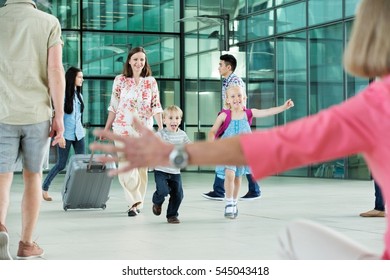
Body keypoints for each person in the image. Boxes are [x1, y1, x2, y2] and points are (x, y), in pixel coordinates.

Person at [90, 0, 390, 259]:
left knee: (295, 235)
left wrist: (174, 153)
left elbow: (275, 145)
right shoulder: (373, 104)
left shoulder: (373, 105)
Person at [0, 0, 65, 260]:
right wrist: (58, 116)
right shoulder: (49, 22)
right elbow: (56, 71)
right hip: (37, 114)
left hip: (2, 111)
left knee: (2, 177)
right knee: (32, 177)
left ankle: (0, 227)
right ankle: (26, 244)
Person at [210, 85, 294, 218]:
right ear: (227, 100)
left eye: (239, 95)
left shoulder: (249, 113)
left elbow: (268, 111)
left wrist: (284, 107)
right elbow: (213, 130)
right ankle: (228, 202)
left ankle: (234, 202)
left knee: (238, 178)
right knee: (229, 174)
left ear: (244, 98)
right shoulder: (224, 115)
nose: (236, 98)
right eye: (233, 96)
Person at [103, 46, 163, 217]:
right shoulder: (120, 80)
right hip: (122, 128)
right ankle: (133, 201)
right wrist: (107, 128)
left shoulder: (150, 81)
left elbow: (156, 105)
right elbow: (113, 106)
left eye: (142, 60)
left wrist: (161, 128)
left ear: (145, 62)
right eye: (135, 59)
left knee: (141, 168)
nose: (138, 63)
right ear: (129, 60)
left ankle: (136, 204)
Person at [202, 54, 261, 201]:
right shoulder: (226, 81)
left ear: (228, 67)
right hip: (228, 120)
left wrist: (231, 120)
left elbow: (240, 102)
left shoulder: (235, 81)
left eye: (221, 64)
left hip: (236, 123)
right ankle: (220, 189)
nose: (218, 67)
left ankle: (252, 189)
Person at [42, 67, 85, 201]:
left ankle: (75, 192)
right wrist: (59, 136)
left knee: (81, 164)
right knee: (61, 164)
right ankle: (44, 188)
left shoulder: (79, 95)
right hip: (65, 135)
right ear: (72, 78)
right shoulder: (62, 96)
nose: (82, 80)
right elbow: (56, 117)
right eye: (79, 77)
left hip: (79, 134)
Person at [152, 105, 191, 224]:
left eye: (177, 118)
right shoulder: (160, 134)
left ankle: (172, 215)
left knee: (178, 194)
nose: (174, 121)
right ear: (164, 120)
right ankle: (157, 201)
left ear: (180, 120)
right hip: (161, 169)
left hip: (175, 171)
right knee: (163, 191)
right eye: (170, 118)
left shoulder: (183, 135)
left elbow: (189, 146)